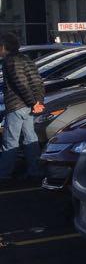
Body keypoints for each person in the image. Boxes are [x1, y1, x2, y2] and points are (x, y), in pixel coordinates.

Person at [0, 32, 45, 185]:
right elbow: (37, 82)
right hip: (28, 107)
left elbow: (20, 84)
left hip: (16, 105)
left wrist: (33, 102)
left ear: (4, 46)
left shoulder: (10, 61)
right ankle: (35, 170)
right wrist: (38, 102)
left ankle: (4, 173)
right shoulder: (26, 59)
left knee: (10, 141)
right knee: (30, 139)